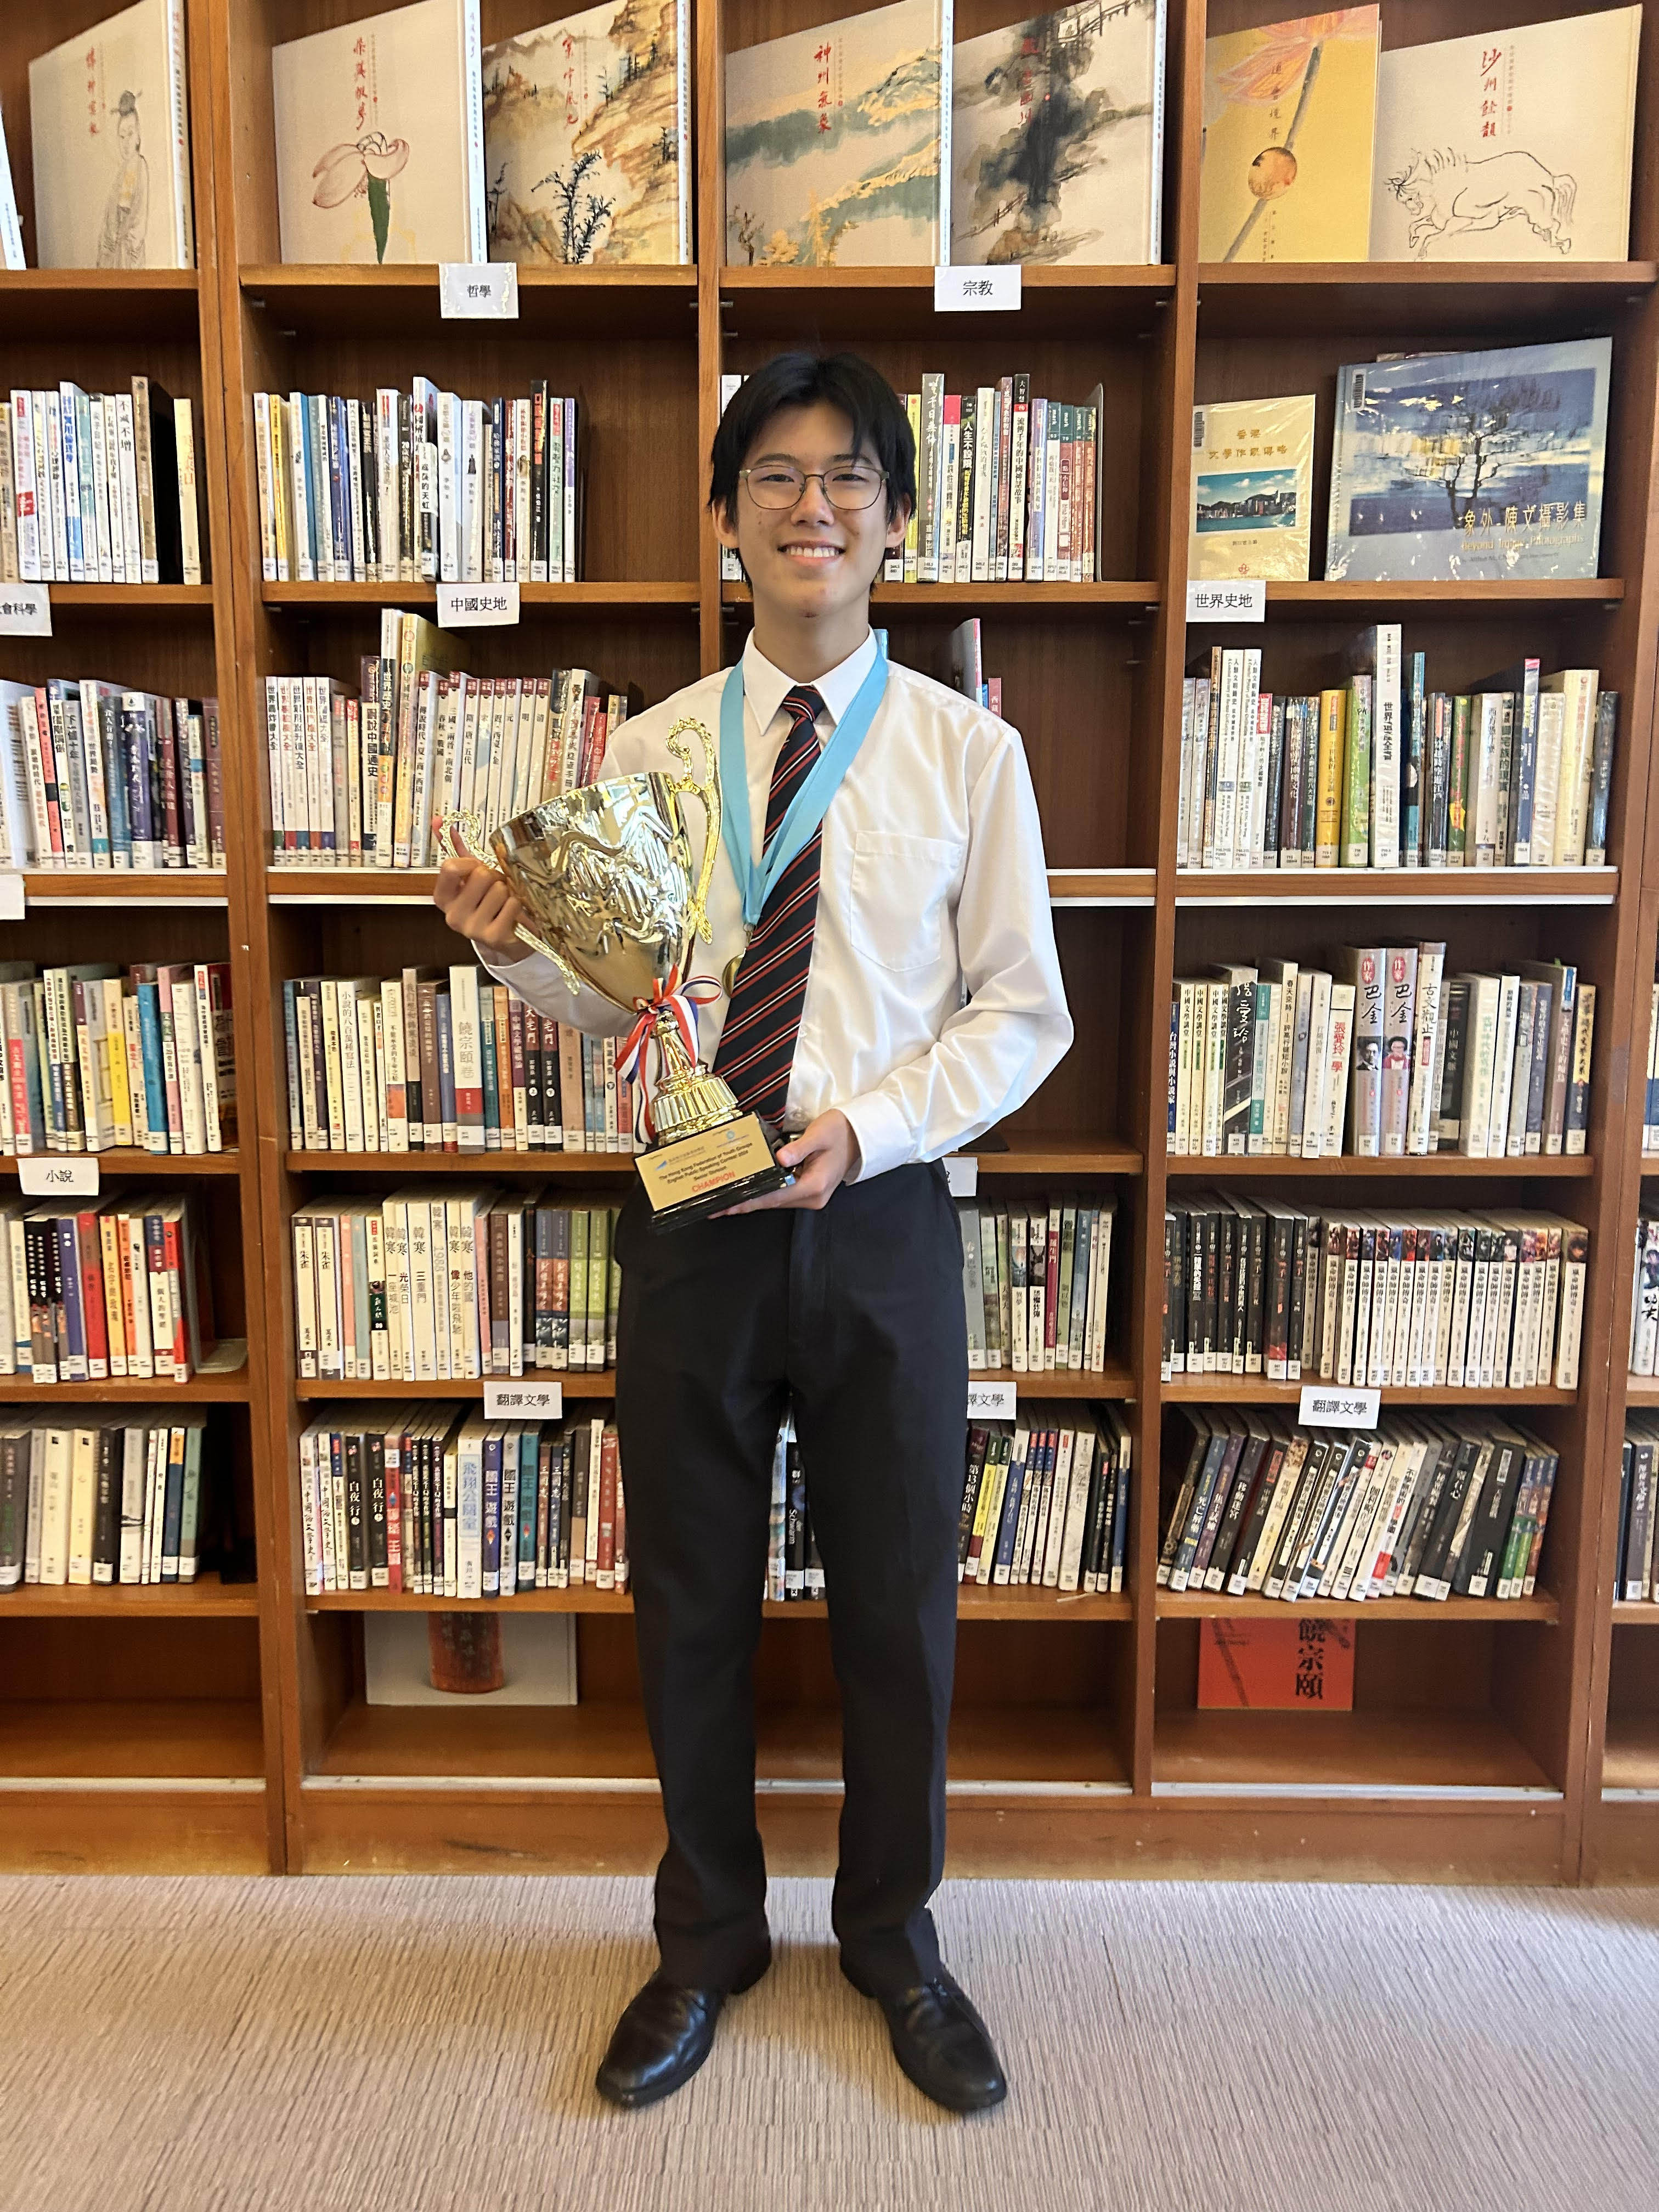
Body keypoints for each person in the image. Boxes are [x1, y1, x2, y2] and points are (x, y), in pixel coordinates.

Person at [434, 351, 1071, 2114]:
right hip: (698, 1222)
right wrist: (510, 946)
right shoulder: (645, 751)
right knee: (692, 1598)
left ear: (896, 522)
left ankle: (895, 1939)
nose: (815, 507)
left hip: (879, 1225)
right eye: (777, 478)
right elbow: (616, 995)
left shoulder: (970, 754)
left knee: (897, 1611)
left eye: (850, 477)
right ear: (725, 522)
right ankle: (707, 1937)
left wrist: (865, 1125)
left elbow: (1023, 1016)